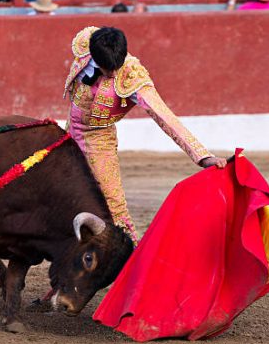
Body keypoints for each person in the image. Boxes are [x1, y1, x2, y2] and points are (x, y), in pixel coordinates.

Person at [64, 26, 227, 244]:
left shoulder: (132, 75)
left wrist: (202, 156)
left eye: (116, 67)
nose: (113, 74)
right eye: (107, 68)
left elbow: (165, 116)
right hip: (68, 130)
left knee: (114, 204)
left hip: (99, 139)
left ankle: (130, 255)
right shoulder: (87, 42)